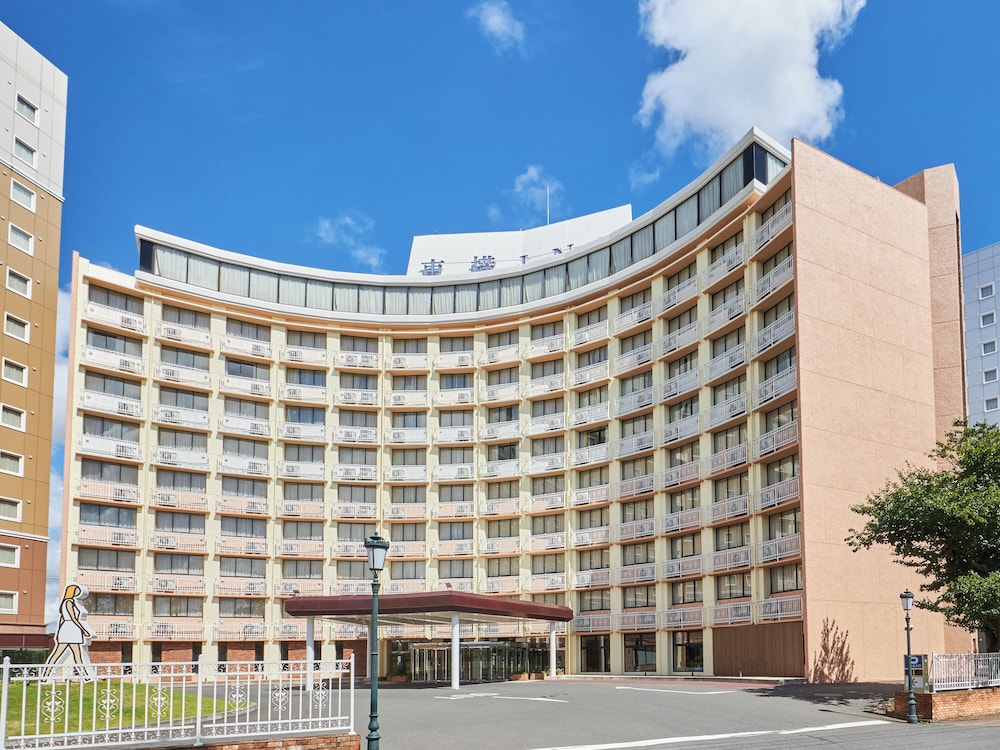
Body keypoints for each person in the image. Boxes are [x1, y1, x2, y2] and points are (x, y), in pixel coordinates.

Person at [43, 584, 96, 680]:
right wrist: (84, 630)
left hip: (70, 629)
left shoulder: (72, 602)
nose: (77, 592)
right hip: (71, 629)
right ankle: (46, 676)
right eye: (75, 591)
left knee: (76, 654)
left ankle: (86, 676)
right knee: (61, 654)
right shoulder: (68, 603)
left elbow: (64, 618)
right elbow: (74, 618)